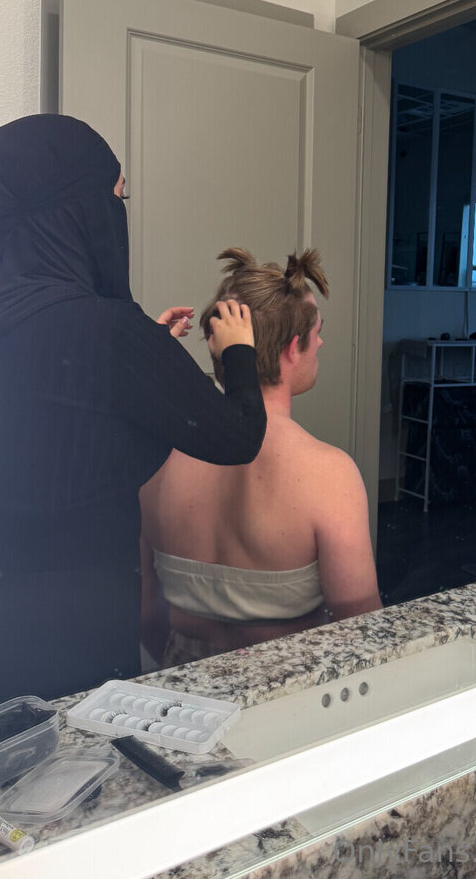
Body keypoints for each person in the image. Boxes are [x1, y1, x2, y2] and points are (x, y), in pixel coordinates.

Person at [0, 115, 266, 721]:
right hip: (67, 628)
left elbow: (52, 426)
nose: (119, 213)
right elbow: (238, 436)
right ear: (78, 210)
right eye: (116, 196)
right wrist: (239, 353)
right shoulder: (111, 333)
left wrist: (146, 360)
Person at [139, 247, 382, 666]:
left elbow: (145, 611)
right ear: (292, 348)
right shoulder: (330, 474)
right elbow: (361, 630)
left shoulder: (155, 460)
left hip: (182, 684)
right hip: (291, 690)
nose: (321, 342)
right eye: (317, 332)